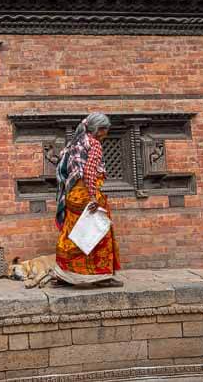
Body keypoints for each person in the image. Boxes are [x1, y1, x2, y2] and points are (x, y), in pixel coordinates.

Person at [53, 112, 122, 286]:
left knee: (72, 235)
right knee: (99, 234)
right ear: (99, 130)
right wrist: (93, 198)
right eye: (105, 130)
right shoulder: (94, 144)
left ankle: (65, 274)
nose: (106, 134)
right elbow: (90, 172)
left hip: (73, 195)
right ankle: (100, 277)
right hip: (86, 194)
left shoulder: (76, 142)